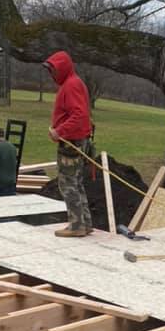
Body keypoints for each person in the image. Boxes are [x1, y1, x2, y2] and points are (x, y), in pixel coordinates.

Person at [42, 50, 93, 237]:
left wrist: (58, 131)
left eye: (53, 70)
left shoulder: (71, 85)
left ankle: (76, 225)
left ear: (62, 68)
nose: (51, 75)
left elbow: (79, 115)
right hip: (78, 140)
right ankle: (85, 223)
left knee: (68, 183)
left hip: (71, 143)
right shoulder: (74, 83)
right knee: (77, 182)